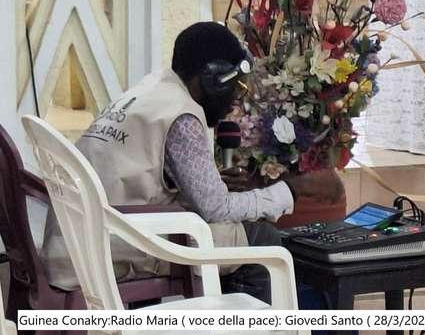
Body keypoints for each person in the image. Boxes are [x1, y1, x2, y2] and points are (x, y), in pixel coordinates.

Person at [40, 22, 343, 305]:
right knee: (261, 240)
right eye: (235, 87)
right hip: (111, 244)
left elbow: (140, 173)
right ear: (212, 80)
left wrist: (208, 181)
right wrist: (294, 188)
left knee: (230, 234)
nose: (235, 100)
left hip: (78, 241)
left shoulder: (149, 91)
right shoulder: (182, 116)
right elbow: (217, 209)